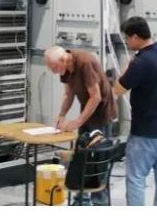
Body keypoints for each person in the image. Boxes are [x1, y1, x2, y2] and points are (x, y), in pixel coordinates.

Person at [113, 17, 157, 207]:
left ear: (135, 36)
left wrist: (126, 66)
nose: (127, 42)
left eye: (127, 38)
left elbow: (117, 90)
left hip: (146, 133)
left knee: (136, 178)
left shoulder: (139, 62)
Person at [45, 46, 116, 205]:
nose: (52, 71)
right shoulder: (65, 70)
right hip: (87, 113)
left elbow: (96, 97)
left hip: (101, 115)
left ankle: (100, 203)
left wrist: (77, 122)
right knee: (80, 158)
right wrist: (62, 114)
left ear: (62, 61)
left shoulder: (84, 62)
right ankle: (80, 200)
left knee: (98, 161)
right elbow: (68, 93)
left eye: (53, 67)